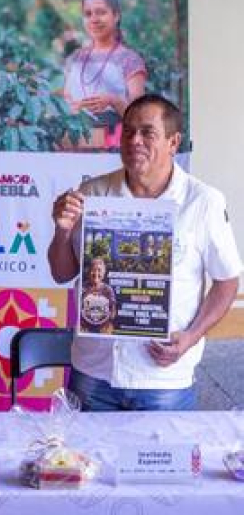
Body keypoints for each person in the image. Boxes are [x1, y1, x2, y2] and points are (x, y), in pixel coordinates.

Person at [48, 94, 242, 411]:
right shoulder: (91, 194)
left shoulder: (203, 201)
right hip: (94, 371)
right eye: (128, 131)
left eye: (147, 132)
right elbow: (62, 273)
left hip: (163, 379)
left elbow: (227, 281)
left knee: (164, 448)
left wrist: (191, 336)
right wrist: (62, 231)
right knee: (83, 447)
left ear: (173, 142)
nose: (134, 140)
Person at [63, 0, 146, 151]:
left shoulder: (129, 59)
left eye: (101, 12)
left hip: (112, 148)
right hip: (74, 146)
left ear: (116, 16)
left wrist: (113, 101)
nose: (94, 19)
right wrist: (72, 108)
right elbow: (65, 103)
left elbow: (139, 119)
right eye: (88, 14)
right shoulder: (76, 58)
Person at [79, 257, 116, 335]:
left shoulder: (108, 290)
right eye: (93, 270)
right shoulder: (81, 288)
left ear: (104, 273)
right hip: (85, 329)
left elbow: (113, 311)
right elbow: (75, 310)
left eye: (99, 270)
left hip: (103, 329)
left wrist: (107, 323)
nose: (96, 273)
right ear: (88, 272)